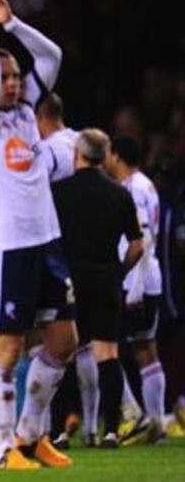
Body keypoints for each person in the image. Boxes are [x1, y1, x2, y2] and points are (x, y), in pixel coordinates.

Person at [0, 0, 76, 470]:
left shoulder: (26, 110)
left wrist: (11, 25)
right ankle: (5, 450)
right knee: (5, 349)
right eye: (2, 76)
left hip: (46, 242)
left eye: (13, 76)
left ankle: (30, 436)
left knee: (64, 343)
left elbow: (53, 55)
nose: (9, 83)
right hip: (5, 247)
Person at [53, 129, 144, 448]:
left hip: (70, 280)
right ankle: (110, 430)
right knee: (108, 353)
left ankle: (60, 431)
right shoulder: (119, 193)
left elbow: (49, 241)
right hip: (106, 278)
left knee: (62, 353)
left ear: (76, 153)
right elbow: (137, 245)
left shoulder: (58, 192)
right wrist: (119, 272)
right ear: (105, 156)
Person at [37, 93, 97, 448]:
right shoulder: (83, 141)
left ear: (39, 116)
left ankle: (53, 423)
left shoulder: (47, 150)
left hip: (58, 250)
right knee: (87, 342)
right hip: (98, 252)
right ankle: (92, 421)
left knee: (51, 339)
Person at [105, 136, 167, 444]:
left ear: (116, 156)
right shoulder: (146, 185)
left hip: (137, 282)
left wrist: (135, 288)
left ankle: (142, 418)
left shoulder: (134, 189)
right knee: (145, 350)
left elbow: (142, 242)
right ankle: (155, 424)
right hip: (147, 279)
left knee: (108, 347)